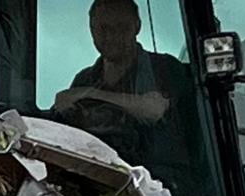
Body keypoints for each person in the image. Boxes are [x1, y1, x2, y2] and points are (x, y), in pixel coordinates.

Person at [52, 0, 190, 170]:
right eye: (104, 28)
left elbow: (154, 111)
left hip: (160, 183)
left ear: (137, 26)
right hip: (99, 178)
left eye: (121, 27)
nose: (112, 37)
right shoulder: (85, 79)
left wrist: (92, 94)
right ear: (91, 30)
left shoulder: (163, 67)